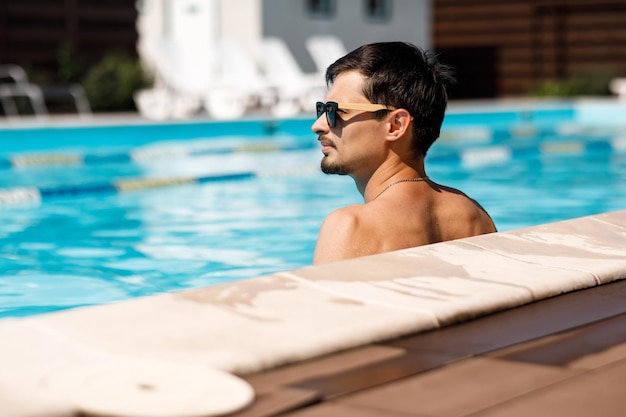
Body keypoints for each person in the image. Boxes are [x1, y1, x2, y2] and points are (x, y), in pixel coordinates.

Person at [311, 41, 496, 265]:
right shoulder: (475, 218)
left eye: (335, 111)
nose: (319, 125)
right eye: (321, 109)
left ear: (396, 125)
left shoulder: (350, 227)